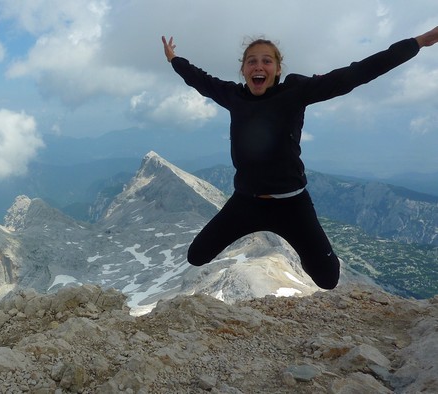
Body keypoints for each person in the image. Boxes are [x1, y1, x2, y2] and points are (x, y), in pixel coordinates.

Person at [161, 26, 438, 290]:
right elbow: (199, 79)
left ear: (278, 69)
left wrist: (417, 43)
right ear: (243, 70)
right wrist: (174, 60)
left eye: (266, 61)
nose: (259, 66)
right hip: (245, 203)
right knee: (196, 256)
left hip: (292, 204)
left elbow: (355, 74)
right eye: (252, 62)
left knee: (327, 279)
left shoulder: (296, 92)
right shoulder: (234, 96)